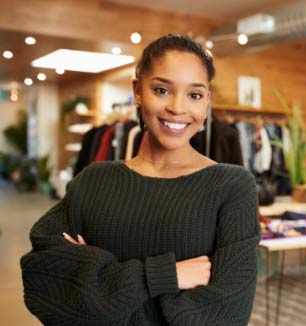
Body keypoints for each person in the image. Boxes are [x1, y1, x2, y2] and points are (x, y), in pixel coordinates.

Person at [21, 34, 260, 325]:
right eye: (162, 90)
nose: (178, 107)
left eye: (195, 95)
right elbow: (44, 281)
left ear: (207, 100)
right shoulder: (93, 181)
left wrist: (100, 286)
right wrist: (164, 276)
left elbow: (227, 314)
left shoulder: (232, 187)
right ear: (137, 91)